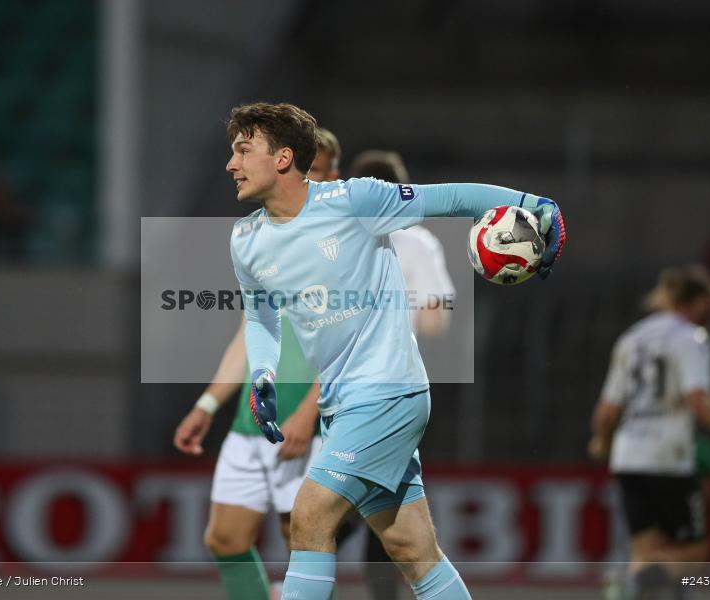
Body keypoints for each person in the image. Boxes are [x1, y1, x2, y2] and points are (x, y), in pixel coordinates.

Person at [226, 102, 565, 600]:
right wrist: (262, 374)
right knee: (413, 551)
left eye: (242, 150)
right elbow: (260, 316)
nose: (231, 164)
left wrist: (532, 201)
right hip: (342, 407)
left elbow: (451, 198)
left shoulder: (352, 201)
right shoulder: (246, 240)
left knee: (310, 515)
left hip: (388, 392)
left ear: (281, 159)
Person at [173, 128, 340, 600]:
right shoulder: (258, 244)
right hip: (253, 424)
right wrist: (207, 404)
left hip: (303, 424)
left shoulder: (336, 249)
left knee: (304, 543)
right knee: (224, 539)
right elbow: (250, 335)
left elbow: (346, 344)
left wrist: (310, 415)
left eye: (318, 172)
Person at [588, 265, 710, 599]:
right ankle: (630, 583)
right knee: (692, 556)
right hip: (667, 457)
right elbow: (699, 402)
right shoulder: (690, 339)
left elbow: (607, 411)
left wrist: (604, 444)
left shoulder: (632, 338)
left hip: (628, 457)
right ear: (698, 303)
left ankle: (635, 584)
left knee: (646, 552)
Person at [346, 149, 455, 600]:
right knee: (384, 513)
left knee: (323, 511)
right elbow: (434, 322)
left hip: (337, 388)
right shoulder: (418, 242)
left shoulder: (331, 239)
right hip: (393, 386)